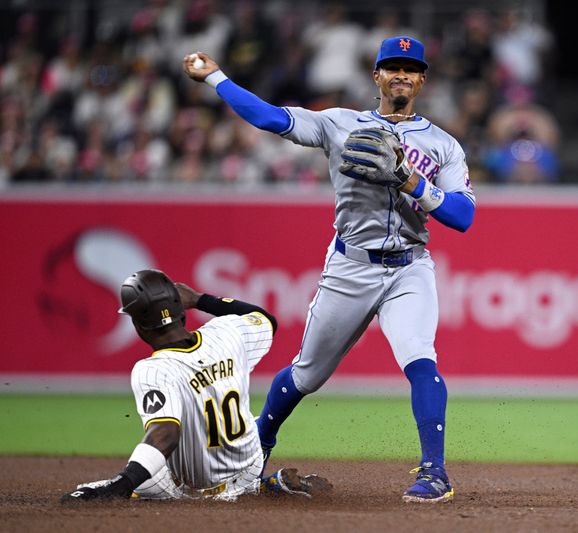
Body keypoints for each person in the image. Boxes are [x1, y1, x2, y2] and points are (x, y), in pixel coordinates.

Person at [183, 35, 476, 503]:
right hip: (350, 266)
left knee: (421, 359)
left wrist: (410, 179)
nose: (401, 74)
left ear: (422, 79)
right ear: (376, 75)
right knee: (306, 375)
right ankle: (258, 444)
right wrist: (216, 77)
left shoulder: (443, 145)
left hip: (409, 267)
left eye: (411, 68)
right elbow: (270, 117)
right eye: (392, 66)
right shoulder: (339, 123)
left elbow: (462, 217)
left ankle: (434, 471)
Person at [61, 269, 330, 502]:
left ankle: (264, 487)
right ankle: (264, 485)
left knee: (111, 487)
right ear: (181, 309)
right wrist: (202, 300)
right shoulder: (227, 332)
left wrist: (122, 485)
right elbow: (265, 319)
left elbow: (164, 435)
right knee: (247, 426)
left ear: (139, 325)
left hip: (192, 490)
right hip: (249, 468)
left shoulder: (153, 369)